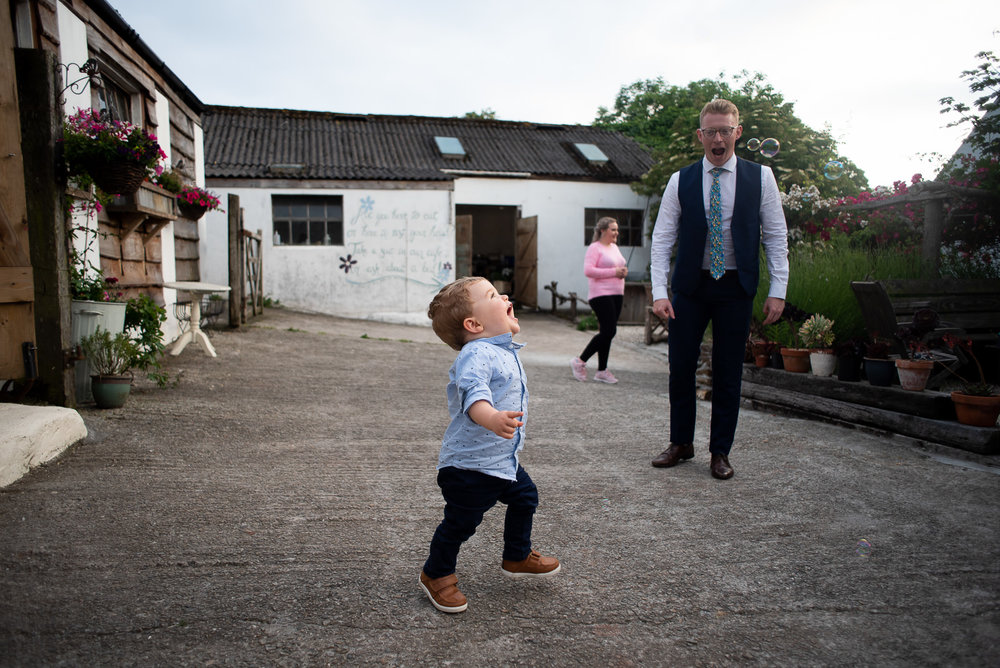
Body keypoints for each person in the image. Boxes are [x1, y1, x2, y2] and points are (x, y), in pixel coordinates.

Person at [649, 99, 789, 480]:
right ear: (700, 136)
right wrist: (659, 290)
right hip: (690, 288)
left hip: (735, 286)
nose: (718, 137)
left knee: (728, 371)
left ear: (737, 133)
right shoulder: (681, 179)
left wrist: (779, 288)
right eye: (710, 131)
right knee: (680, 368)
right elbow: (663, 238)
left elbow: (776, 236)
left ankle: (720, 452)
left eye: (725, 130)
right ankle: (681, 443)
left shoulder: (761, 177)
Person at [420, 276, 561, 613]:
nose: (506, 295)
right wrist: (492, 418)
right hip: (469, 467)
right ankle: (436, 573)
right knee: (461, 523)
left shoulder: (500, 350)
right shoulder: (477, 353)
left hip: (500, 462)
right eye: (493, 295)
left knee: (526, 498)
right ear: (474, 324)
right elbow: (474, 394)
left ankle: (516, 555)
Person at [570, 217, 629, 384]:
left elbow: (617, 267)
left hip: (617, 293)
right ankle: (579, 361)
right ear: (603, 230)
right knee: (609, 331)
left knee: (607, 332)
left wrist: (623, 272)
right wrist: (614, 272)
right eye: (613, 229)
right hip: (600, 294)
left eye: (617, 229)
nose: (616, 233)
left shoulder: (615, 248)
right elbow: (588, 270)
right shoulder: (594, 248)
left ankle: (602, 370)